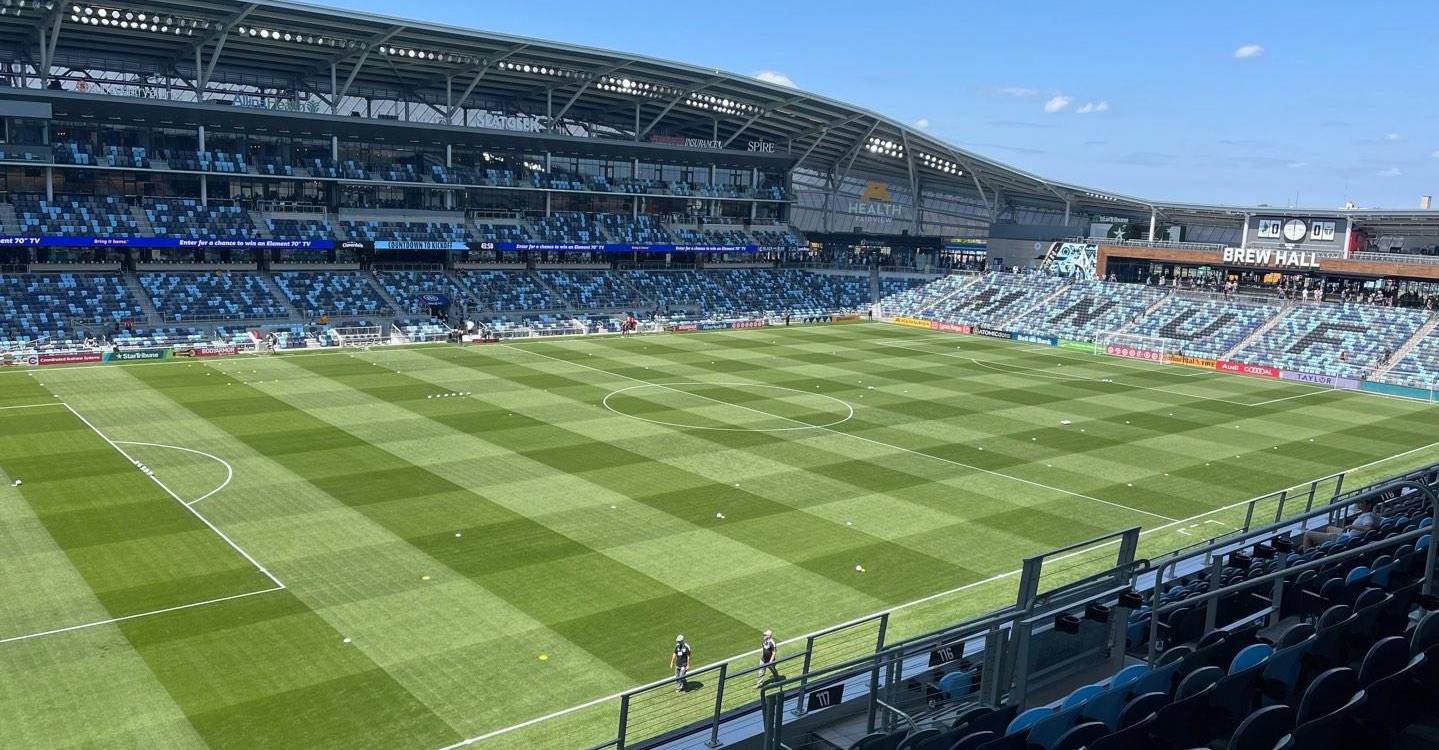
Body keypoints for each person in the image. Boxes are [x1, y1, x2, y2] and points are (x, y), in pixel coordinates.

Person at [1301, 498, 1380, 549]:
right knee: (1329, 528)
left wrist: (1351, 526)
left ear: (1369, 505)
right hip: (1348, 535)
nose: (1359, 504)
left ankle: (1308, 554)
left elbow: (1368, 528)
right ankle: (1323, 545)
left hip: (1345, 539)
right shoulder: (1370, 515)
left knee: (1307, 534)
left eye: (1361, 502)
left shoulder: (1367, 517)